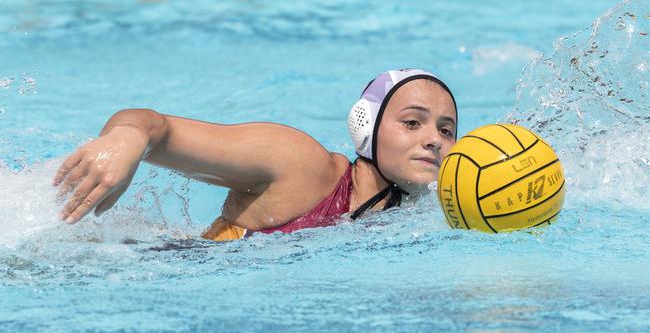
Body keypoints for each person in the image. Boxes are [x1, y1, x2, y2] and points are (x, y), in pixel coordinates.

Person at [53, 69, 458, 241]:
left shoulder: (434, 213)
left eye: (446, 129)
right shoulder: (301, 166)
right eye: (411, 122)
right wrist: (126, 139)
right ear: (366, 127)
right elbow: (153, 125)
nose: (433, 140)